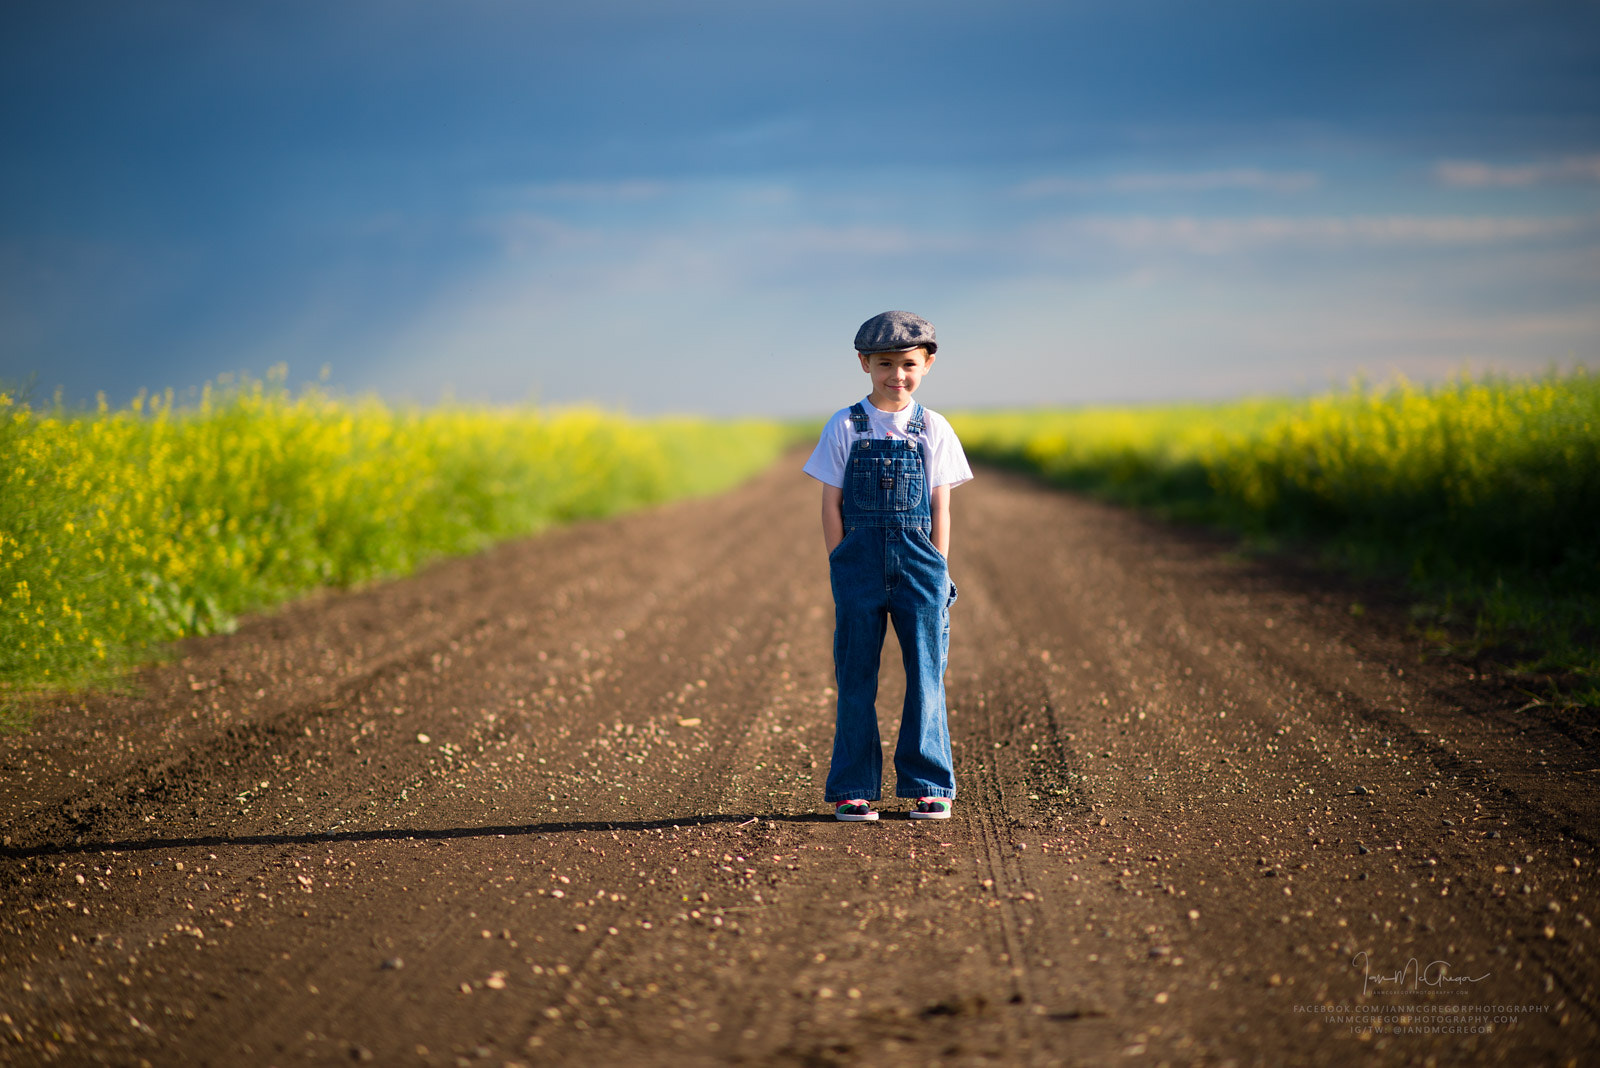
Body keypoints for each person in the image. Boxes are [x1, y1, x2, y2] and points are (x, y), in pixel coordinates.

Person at [802, 311, 973, 821]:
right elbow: (830, 504)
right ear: (864, 364)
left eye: (907, 364)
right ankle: (853, 788)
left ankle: (929, 783)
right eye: (884, 364)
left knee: (926, 674)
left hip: (921, 563)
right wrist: (840, 561)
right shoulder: (845, 424)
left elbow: (941, 505)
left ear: (927, 364)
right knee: (856, 676)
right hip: (858, 562)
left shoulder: (934, 428)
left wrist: (937, 569)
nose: (896, 375)